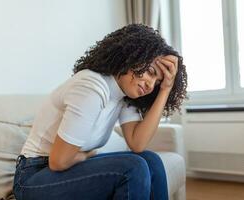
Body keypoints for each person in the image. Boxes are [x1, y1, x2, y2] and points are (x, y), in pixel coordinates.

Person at [13, 23, 187, 200]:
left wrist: (165, 89)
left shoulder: (124, 94)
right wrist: (88, 155)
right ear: (131, 57)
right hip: (33, 177)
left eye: (156, 82)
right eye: (150, 72)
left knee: (151, 161)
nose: (151, 85)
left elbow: (138, 144)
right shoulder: (91, 88)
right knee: (133, 167)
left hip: (66, 169)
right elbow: (59, 162)